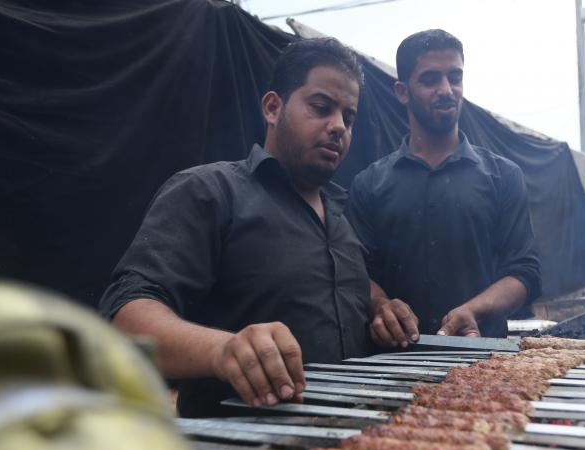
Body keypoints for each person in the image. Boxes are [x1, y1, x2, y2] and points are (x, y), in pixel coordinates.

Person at [99, 38, 371, 417]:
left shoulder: (342, 218)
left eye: (349, 117)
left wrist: (382, 307)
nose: (338, 126)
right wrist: (222, 349)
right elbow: (127, 319)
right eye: (321, 107)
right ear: (273, 108)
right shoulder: (210, 192)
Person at [347, 29, 541, 345]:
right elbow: (355, 274)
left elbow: (524, 273)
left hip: (487, 367)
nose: (446, 89)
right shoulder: (369, 184)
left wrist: (474, 309)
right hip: (394, 366)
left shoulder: (503, 176)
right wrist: (381, 305)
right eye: (430, 79)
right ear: (402, 91)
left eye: (455, 77)